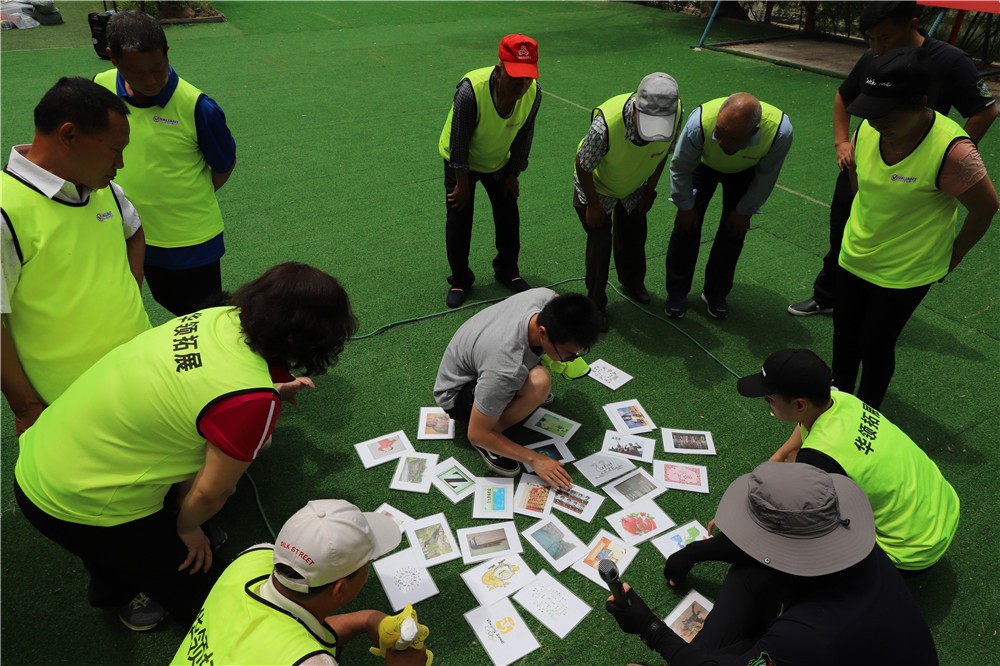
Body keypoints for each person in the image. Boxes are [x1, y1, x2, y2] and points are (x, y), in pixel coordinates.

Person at [13, 262, 357, 632]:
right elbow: (211, 492)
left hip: (45, 456)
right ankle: (131, 586)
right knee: (203, 588)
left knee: (120, 541)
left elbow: (201, 380)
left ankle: (116, 578)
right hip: (81, 500)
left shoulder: (220, 316)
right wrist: (189, 528)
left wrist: (265, 389)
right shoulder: (249, 399)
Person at [605, 462, 939, 665]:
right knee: (752, 571)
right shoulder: (853, 546)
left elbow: (799, 642)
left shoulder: (806, 636)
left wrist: (651, 628)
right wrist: (694, 552)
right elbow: (756, 552)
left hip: (820, 648)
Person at [788, 0, 997, 317]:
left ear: (912, 25)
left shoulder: (952, 61)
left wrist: (949, 158)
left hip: (916, 175)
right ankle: (829, 295)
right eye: (871, 38)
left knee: (899, 242)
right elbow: (844, 95)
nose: (877, 47)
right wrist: (842, 141)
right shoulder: (874, 58)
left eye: (884, 37)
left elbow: (986, 110)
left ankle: (883, 306)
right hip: (870, 160)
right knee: (845, 227)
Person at [831, 47, 997, 408]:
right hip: (856, 254)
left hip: (907, 270)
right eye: (871, 112)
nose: (878, 122)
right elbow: (859, 182)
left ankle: (867, 414)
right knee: (844, 335)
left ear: (922, 102)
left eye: (888, 114)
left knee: (875, 344)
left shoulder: (954, 152)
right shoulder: (868, 127)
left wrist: (954, 257)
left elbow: (987, 208)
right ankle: (836, 404)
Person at [1, 77, 150, 435]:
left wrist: (129, 291)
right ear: (68, 135)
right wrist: (27, 407)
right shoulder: (6, 211)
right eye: (115, 150)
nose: (121, 163)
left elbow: (134, 230)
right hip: (70, 404)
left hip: (140, 372)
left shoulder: (104, 189)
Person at [737, 348, 959, 571]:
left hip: (910, 549)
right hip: (943, 509)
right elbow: (805, 426)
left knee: (802, 534)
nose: (767, 403)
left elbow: (808, 515)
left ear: (800, 405)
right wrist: (779, 457)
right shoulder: (841, 399)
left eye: (769, 399)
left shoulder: (818, 457)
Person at [95, 9, 237, 316]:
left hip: (190, 241)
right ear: (113, 58)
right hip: (130, 232)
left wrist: (186, 195)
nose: (150, 80)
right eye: (137, 72)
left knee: (204, 317)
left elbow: (223, 165)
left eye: (157, 68)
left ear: (167, 51)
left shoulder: (198, 107)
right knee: (159, 301)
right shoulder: (100, 88)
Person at [172, 499, 431, 665]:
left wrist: (367, 620)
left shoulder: (254, 557)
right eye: (367, 563)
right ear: (340, 588)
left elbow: (288, 629)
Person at [433, 289, 602, 488]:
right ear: (543, 333)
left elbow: (556, 295)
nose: (570, 359)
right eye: (569, 354)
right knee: (539, 383)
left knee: (535, 383)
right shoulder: (505, 368)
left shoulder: (545, 297)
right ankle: (493, 436)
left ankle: (513, 401)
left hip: (482, 359)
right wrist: (535, 459)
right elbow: (476, 433)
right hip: (457, 395)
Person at [664, 93, 792, 320]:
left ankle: (715, 293)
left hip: (745, 171)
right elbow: (681, 167)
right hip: (703, 165)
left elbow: (767, 176)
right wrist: (684, 206)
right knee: (686, 226)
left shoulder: (780, 133)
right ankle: (677, 292)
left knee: (734, 231)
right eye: (718, 131)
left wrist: (745, 210)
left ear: (753, 132)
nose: (721, 141)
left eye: (731, 137)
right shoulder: (699, 123)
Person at [438, 33, 542, 308]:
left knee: (509, 214)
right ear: (499, 70)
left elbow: (524, 136)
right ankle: (460, 278)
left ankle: (507, 270)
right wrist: (462, 184)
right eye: (515, 76)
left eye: (527, 77)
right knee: (460, 215)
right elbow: (459, 142)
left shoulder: (534, 93)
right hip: (461, 161)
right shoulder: (470, 91)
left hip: (498, 160)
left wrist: (513, 174)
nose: (522, 84)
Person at [575, 72, 683, 330]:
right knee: (600, 243)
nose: (653, 133)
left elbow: (661, 154)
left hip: (635, 183)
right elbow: (583, 165)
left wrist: (649, 191)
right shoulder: (606, 125)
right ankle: (595, 304)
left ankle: (633, 282)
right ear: (635, 108)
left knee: (635, 235)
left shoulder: (675, 112)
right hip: (598, 186)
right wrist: (593, 204)